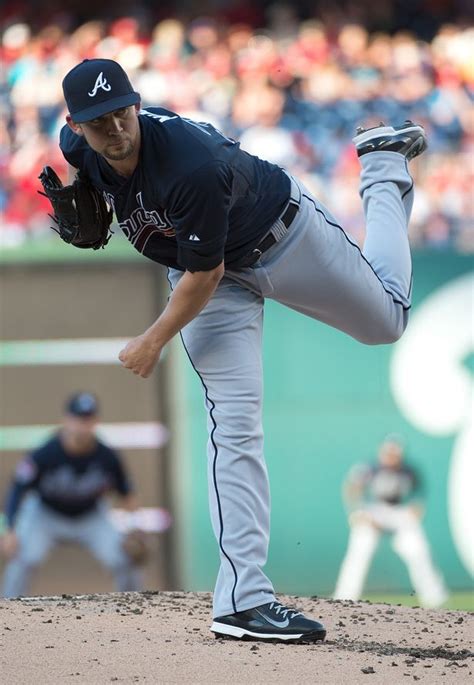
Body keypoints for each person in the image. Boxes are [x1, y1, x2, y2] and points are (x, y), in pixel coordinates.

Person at [53, 57, 428, 642]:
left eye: (122, 111)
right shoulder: (79, 150)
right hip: (210, 274)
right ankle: (243, 601)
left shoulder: (187, 165)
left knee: (386, 322)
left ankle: (381, 164)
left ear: (136, 102)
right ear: (76, 126)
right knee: (234, 425)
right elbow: (195, 267)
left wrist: (153, 340)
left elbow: (206, 273)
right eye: (99, 121)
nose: (117, 129)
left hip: (282, 236)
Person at [1, 392, 143, 598]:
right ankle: (7, 611)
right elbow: (17, 489)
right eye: (77, 418)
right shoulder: (45, 453)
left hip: (90, 515)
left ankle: (136, 609)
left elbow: (127, 494)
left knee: (124, 557)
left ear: (95, 422)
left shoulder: (107, 456)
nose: (82, 425)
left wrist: (134, 528)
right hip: (46, 515)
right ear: (65, 420)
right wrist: (11, 529)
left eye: (87, 419)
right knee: (22, 557)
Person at [333, 436, 449, 608]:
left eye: (395, 453)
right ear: (382, 452)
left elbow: (419, 494)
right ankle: (344, 598)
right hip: (373, 510)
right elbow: (351, 487)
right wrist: (357, 512)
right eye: (389, 452)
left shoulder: (409, 470)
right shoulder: (369, 467)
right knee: (360, 551)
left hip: (398, 512)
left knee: (418, 549)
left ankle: (434, 599)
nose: (392, 456)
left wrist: (416, 507)